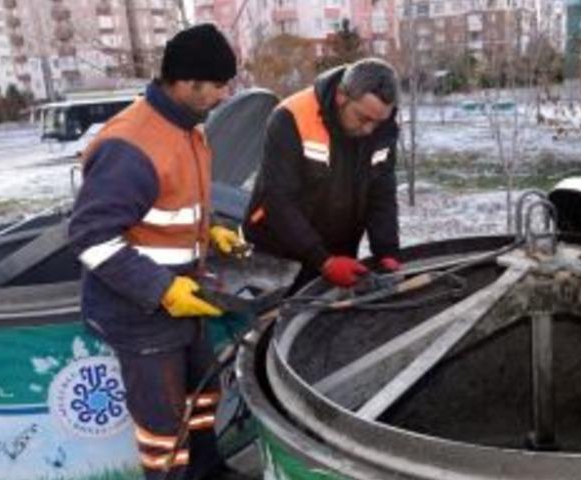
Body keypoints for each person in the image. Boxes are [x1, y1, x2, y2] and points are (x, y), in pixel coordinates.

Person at [68, 24, 248, 480]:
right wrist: (163, 291)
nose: (225, 95)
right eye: (219, 86)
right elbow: (90, 236)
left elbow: (170, 206)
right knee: (163, 427)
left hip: (184, 296)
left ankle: (209, 471)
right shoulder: (131, 145)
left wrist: (212, 233)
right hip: (139, 310)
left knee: (202, 396)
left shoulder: (188, 128)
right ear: (187, 83)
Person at [243, 58, 402, 292]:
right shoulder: (291, 117)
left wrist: (387, 251)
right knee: (276, 323)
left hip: (338, 253)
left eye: (378, 122)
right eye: (363, 118)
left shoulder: (382, 128)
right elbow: (279, 200)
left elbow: (381, 194)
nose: (369, 130)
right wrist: (322, 259)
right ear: (341, 96)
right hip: (278, 251)